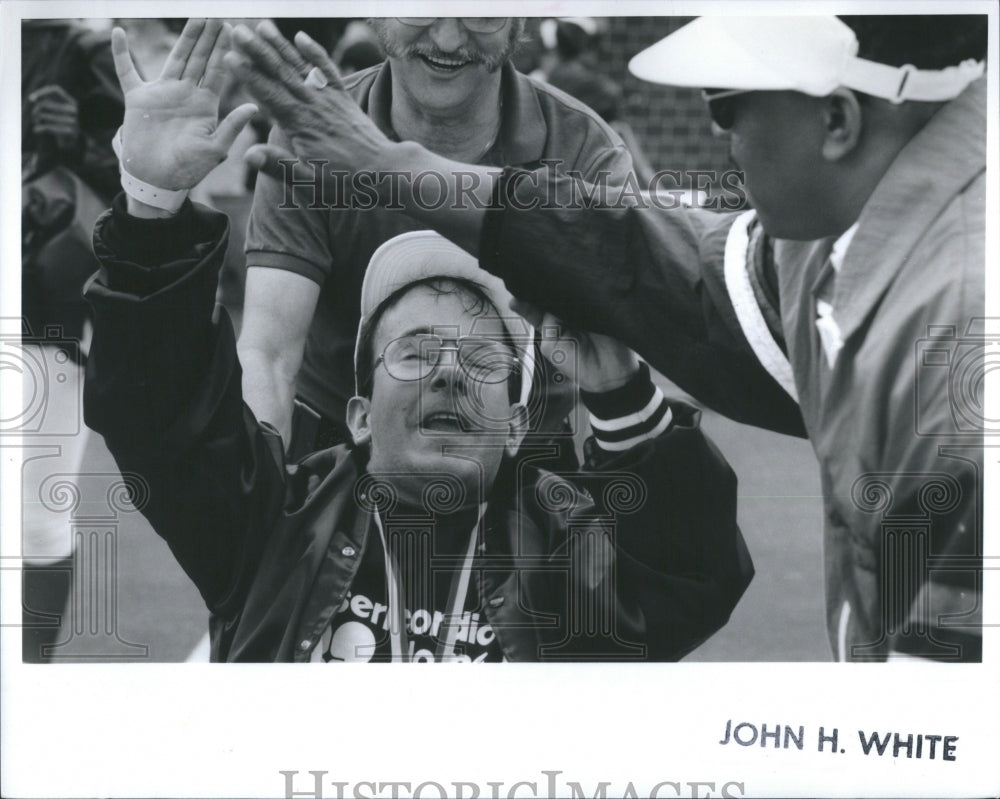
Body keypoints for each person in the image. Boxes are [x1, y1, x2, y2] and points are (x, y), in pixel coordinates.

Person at [226, 14, 987, 662]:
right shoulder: (844, 245)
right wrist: (401, 168)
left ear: (839, 120)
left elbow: (938, 719)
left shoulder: (957, 343)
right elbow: (655, 261)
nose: (724, 145)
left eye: (726, 106)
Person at [83, 19, 753, 662]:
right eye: (417, 352)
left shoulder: (565, 571)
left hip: (521, 496)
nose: (449, 373)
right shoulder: (275, 538)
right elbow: (209, 387)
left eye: (481, 357)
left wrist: (621, 394)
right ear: (358, 411)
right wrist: (149, 211)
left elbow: (690, 572)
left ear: (520, 418)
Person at [236, 17, 635, 463]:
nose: (448, 39)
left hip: (524, 448)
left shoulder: (583, 149)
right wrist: (259, 502)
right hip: (340, 442)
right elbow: (269, 355)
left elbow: (618, 371)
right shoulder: (312, 129)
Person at [20, 18, 124, 662]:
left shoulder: (79, 49)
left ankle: (29, 679)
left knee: (37, 513)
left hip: (42, 313)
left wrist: (76, 143)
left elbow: (144, 188)